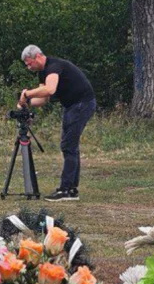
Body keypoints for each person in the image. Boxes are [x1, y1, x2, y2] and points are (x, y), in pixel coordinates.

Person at [17, 44, 96, 201]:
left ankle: (66, 190)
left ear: (37, 56)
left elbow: (50, 89)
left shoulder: (53, 66)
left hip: (82, 104)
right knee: (70, 146)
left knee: (68, 145)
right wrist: (26, 103)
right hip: (71, 106)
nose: (28, 67)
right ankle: (71, 190)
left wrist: (26, 93)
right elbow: (43, 99)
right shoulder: (43, 73)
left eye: (29, 63)